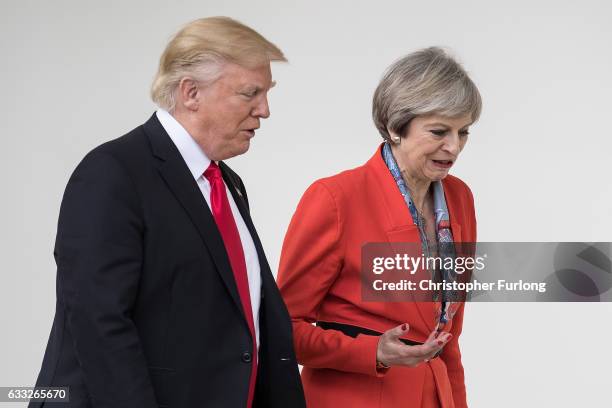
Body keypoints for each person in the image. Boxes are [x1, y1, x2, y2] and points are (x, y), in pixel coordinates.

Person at [30, 17, 305, 408]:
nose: (265, 110)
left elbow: (244, 324)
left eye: (267, 93)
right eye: (250, 93)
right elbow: (99, 323)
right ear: (191, 92)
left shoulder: (226, 183)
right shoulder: (113, 172)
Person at [277, 47, 481, 408]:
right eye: (438, 131)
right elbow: (283, 329)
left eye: (463, 132)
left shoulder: (460, 198)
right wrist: (374, 351)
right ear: (394, 127)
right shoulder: (335, 198)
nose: (454, 147)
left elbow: (450, 338)